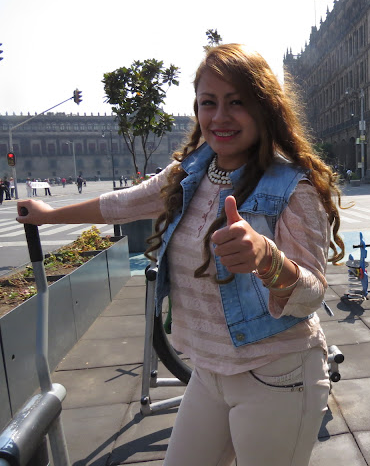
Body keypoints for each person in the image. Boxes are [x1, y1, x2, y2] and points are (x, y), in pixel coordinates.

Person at [17, 43, 345, 466]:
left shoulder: (291, 188)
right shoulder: (190, 171)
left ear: (265, 108)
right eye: (209, 102)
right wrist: (49, 215)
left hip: (280, 374)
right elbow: (123, 203)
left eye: (237, 102)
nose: (220, 116)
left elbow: (312, 293)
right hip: (209, 372)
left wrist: (268, 259)